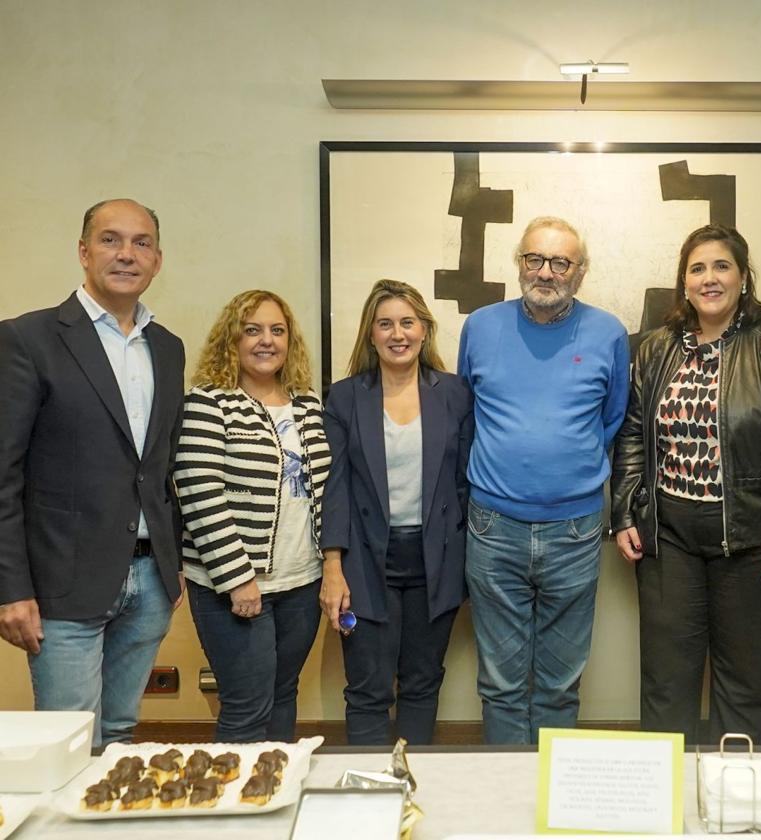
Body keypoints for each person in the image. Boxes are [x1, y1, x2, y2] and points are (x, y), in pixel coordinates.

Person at [611, 223, 761, 745]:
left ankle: (733, 804)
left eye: (721, 266)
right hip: (670, 543)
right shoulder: (657, 348)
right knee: (666, 683)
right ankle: (669, 810)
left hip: (756, 543)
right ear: (683, 282)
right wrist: (625, 511)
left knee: (744, 686)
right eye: (697, 268)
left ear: (743, 278)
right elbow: (633, 434)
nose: (710, 278)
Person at [0, 199, 185, 747]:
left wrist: (172, 563)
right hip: (63, 581)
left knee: (121, 732)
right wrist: (10, 588)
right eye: (110, 240)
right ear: (83, 252)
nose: (126, 254)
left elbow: (161, 465)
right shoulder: (27, 339)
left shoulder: (168, 348)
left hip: (151, 581)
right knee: (68, 739)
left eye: (141, 243)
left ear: (157, 260)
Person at [458, 216, 629, 744]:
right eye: (535, 259)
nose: (546, 272)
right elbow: (466, 413)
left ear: (580, 272)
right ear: (518, 263)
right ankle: (509, 804)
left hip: (575, 529)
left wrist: (562, 467)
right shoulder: (481, 326)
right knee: (501, 682)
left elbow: (612, 419)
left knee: (559, 682)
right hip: (492, 527)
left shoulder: (609, 333)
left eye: (561, 262)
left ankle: (551, 807)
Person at [321, 280, 474, 745]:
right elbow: (335, 487)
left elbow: (466, 481)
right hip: (365, 563)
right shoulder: (345, 397)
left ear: (425, 330)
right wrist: (333, 567)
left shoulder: (454, 393)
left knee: (422, 685)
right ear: (370, 334)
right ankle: (368, 802)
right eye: (385, 323)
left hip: (436, 562)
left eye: (407, 322)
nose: (397, 333)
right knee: (367, 689)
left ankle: (413, 791)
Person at [173, 290, 330, 742]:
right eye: (253, 330)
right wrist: (238, 577)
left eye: (277, 331)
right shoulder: (210, 402)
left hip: (301, 582)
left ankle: (274, 795)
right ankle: (236, 809)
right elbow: (199, 494)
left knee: (283, 694)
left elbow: (323, 488)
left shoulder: (307, 404)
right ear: (232, 338)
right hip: (234, 584)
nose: (267, 341)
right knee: (246, 706)